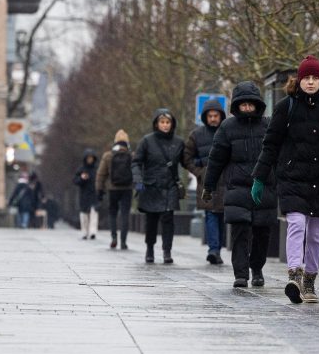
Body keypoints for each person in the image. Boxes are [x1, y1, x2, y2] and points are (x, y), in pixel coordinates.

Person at [252, 56, 319, 304]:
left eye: (315, 78)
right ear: (298, 80)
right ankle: (295, 274)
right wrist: (259, 176)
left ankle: (309, 280)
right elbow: (270, 145)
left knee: (318, 234)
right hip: (292, 177)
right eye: (306, 78)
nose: (310, 82)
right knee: (297, 224)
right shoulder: (285, 108)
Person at [203, 82, 277, 288]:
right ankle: (241, 274)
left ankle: (257, 268)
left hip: (265, 188)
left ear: (257, 104)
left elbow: (277, 156)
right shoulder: (227, 128)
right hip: (237, 189)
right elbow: (216, 159)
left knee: (262, 234)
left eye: (250, 104)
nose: (246, 108)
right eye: (242, 104)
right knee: (240, 234)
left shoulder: (268, 125)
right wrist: (208, 186)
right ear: (236, 105)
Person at [132, 108, 184, 264]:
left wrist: (202, 167)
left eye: (168, 122)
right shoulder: (147, 141)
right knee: (151, 220)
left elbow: (187, 161)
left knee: (168, 220)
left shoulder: (179, 142)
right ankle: (150, 249)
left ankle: (167, 251)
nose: (165, 125)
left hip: (170, 186)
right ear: (156, 124)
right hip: (151, 186)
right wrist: (138, 180)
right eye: (162, 122)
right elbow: (136, 162)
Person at [184, 98, 226, 265]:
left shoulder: (227, 131)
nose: (213, 118)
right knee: (210, 214)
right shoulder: (196, 135)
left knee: (222, 215)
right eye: (210, 116)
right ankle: (213, 250)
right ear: (205, 117)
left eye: (216, 115)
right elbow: (187, 157)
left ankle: (217, 249)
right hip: (206, 181)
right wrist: (199, 172)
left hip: (225, 181)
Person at [96, 129, 134, 250]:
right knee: (124, 215)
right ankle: (123, 241)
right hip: (127, 189)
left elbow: (101, 174)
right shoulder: (132, 155)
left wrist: (99, 189)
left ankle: (114, 238)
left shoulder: (108, 155)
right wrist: (140, 188)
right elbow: (138, 173)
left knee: (112, 213)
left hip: (112, 189)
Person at [73, 149, 99, 239]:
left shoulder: (96, 169)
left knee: (93, 213)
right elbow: (75, 180)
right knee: (84, 214)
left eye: (91, 158)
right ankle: (84, 232)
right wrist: (82, 178)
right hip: (84, 195)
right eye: (88, 158)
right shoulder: (81, 169)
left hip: (94, 194)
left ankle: (92, 232)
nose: (90, 160)